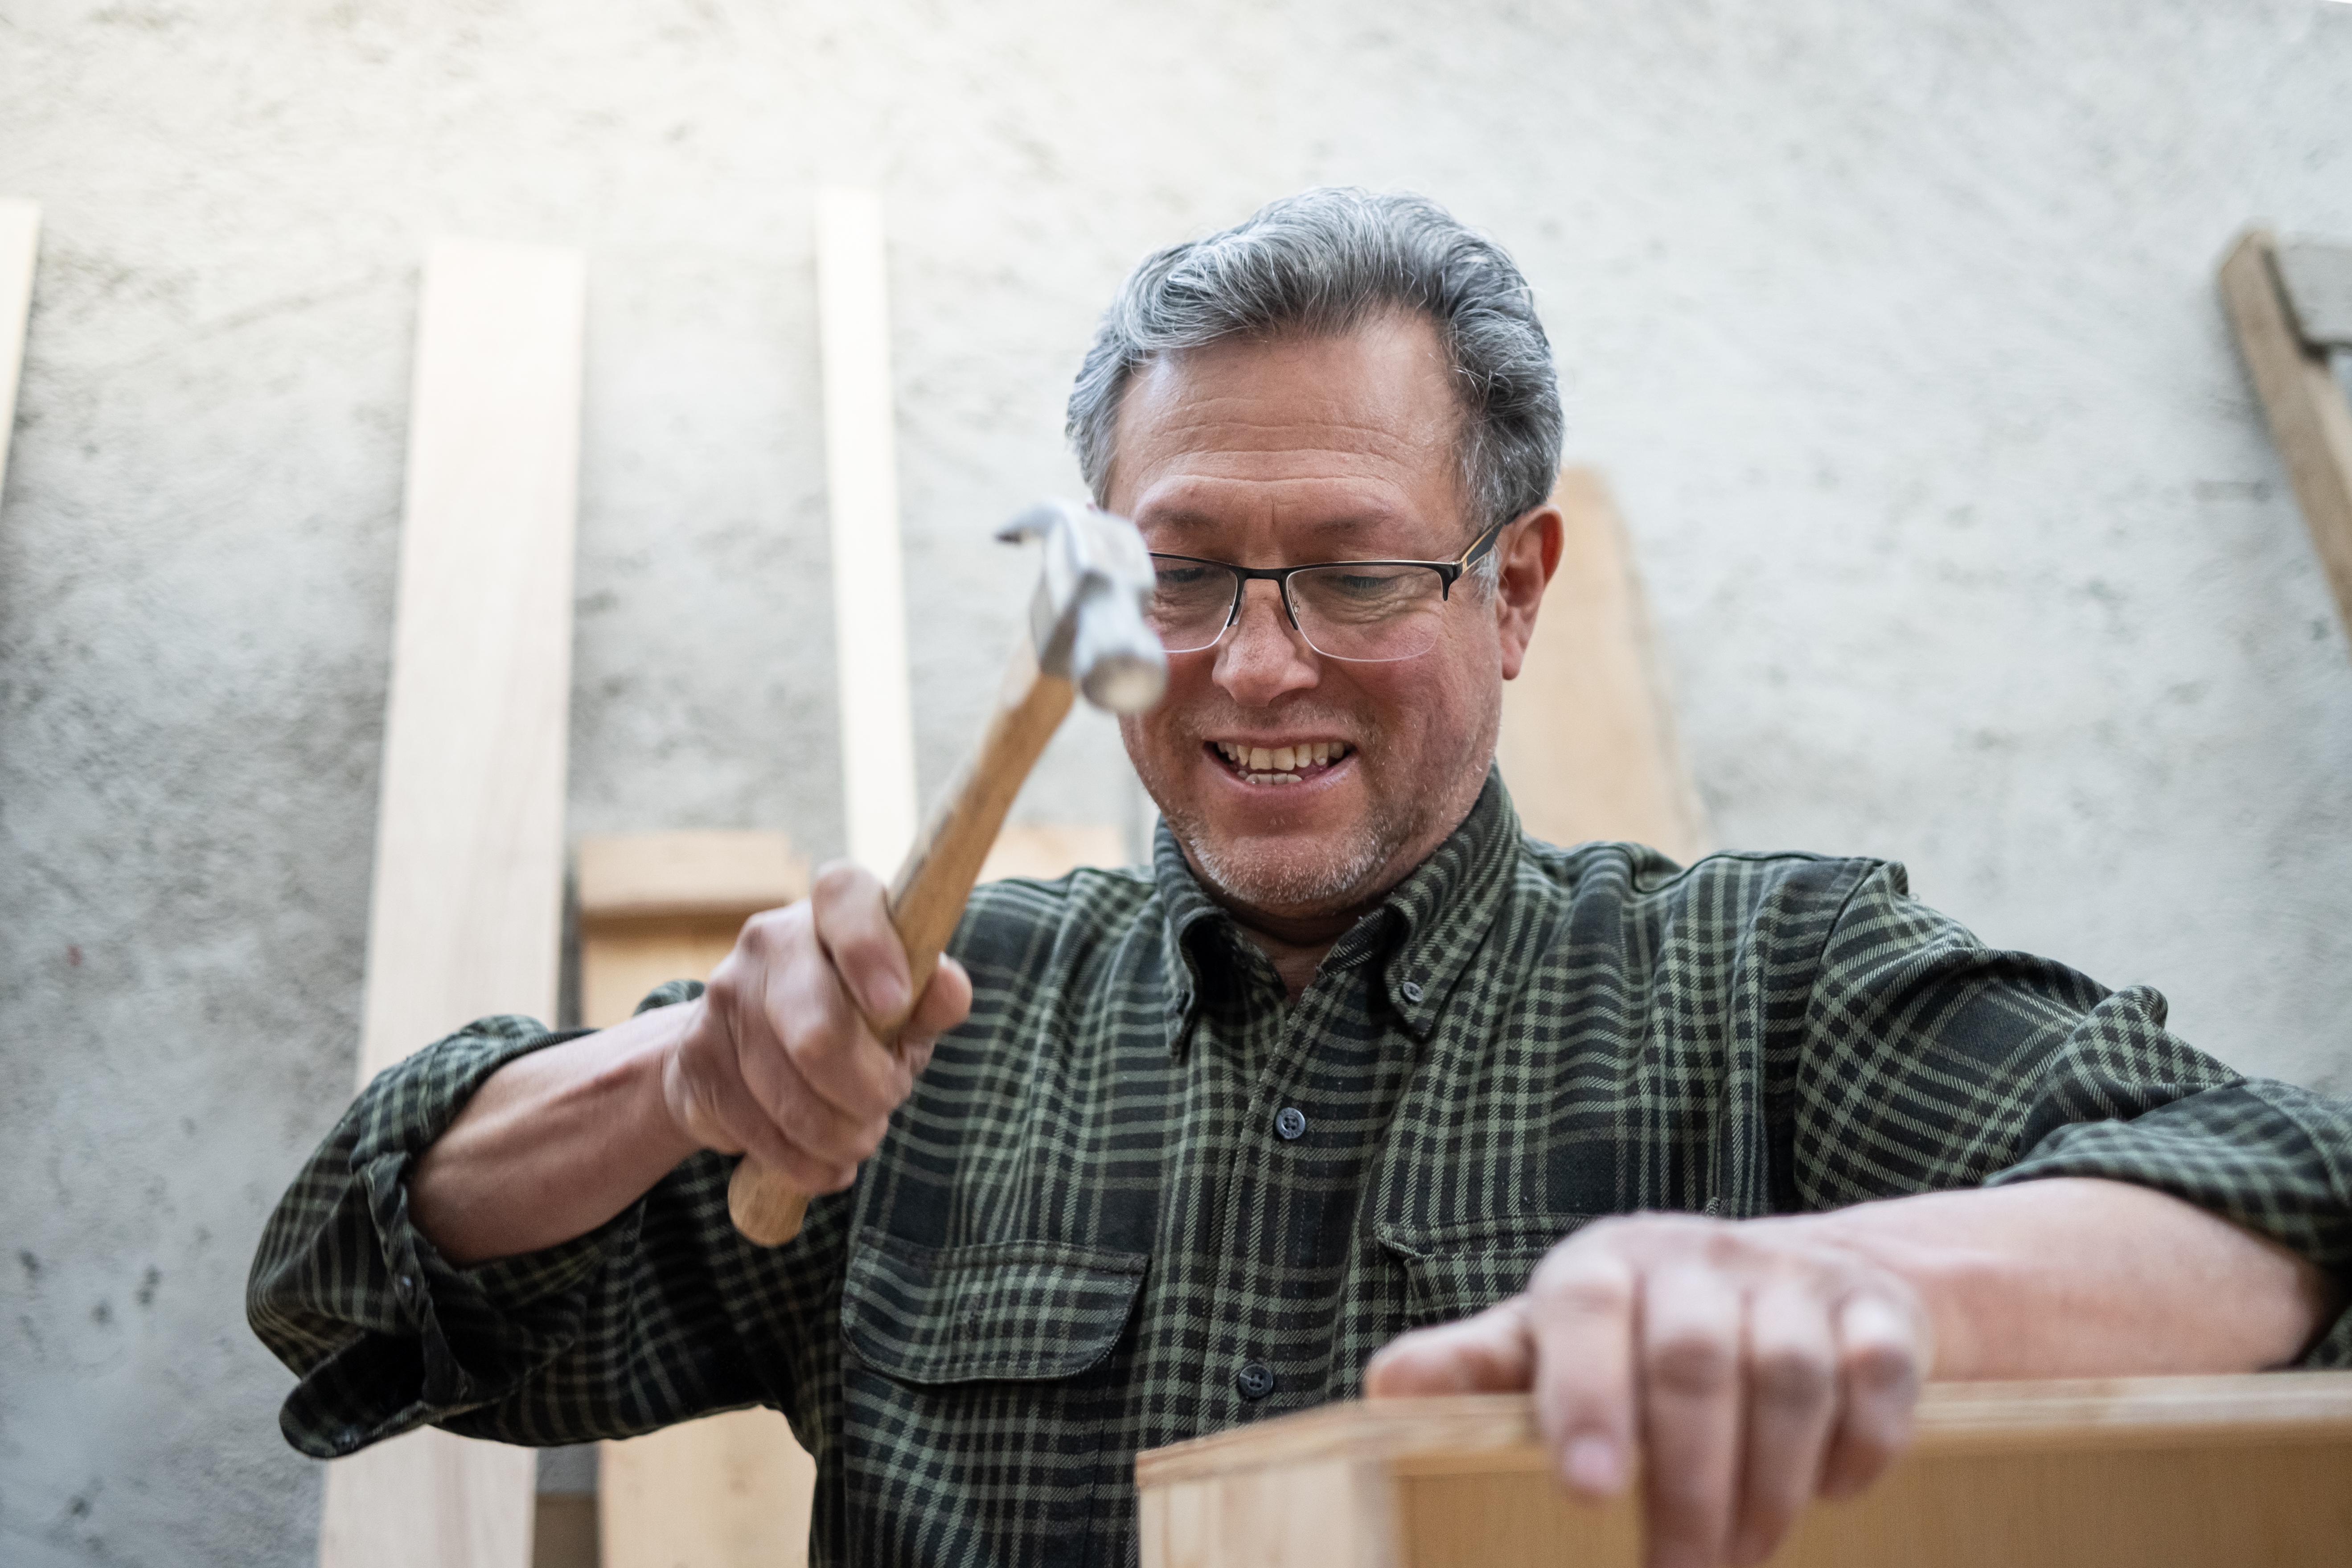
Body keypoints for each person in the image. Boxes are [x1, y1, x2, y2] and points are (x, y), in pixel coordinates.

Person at [251, 189, 2351, 1568]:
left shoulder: (1762, 987)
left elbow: (2291, 1196)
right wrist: (679, 1088)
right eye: (1181, 577)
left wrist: (1851, 1283)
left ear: (1515, 588)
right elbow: (359, 1269)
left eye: (1354, 570)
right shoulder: (932, 1030)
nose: (1256, 665)